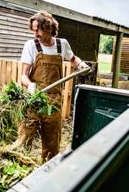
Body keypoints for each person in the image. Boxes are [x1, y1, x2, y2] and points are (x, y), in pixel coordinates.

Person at [14, 10, 89, 163]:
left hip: (54, 101)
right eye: (33, 30)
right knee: (25, 136)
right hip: (33, 100)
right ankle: (20, 166)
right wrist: (30, 86)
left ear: (48, 28)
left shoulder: (62, 44)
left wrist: (81, 64)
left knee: (52, 142)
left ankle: (47, 168)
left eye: (38, 30)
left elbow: (73, 59)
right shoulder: (31, 45)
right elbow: (23, 76)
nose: (35, 34)